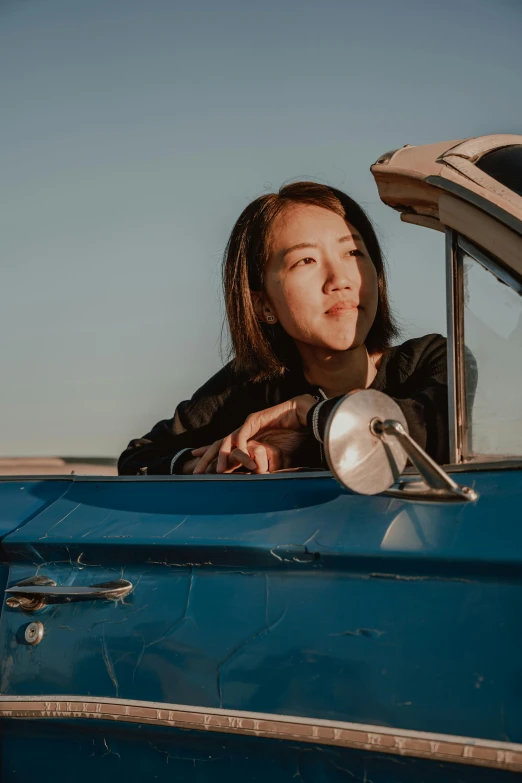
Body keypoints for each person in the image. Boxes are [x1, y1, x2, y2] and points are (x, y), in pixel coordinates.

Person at [118, 182, 448, 476]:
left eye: (353, 252)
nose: (340, 280)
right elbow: (137, 460)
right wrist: (219, 461)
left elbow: (435, 431)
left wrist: (310, 418)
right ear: (264, 306)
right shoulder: (248, 387)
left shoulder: (431, 360)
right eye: (306, 261)